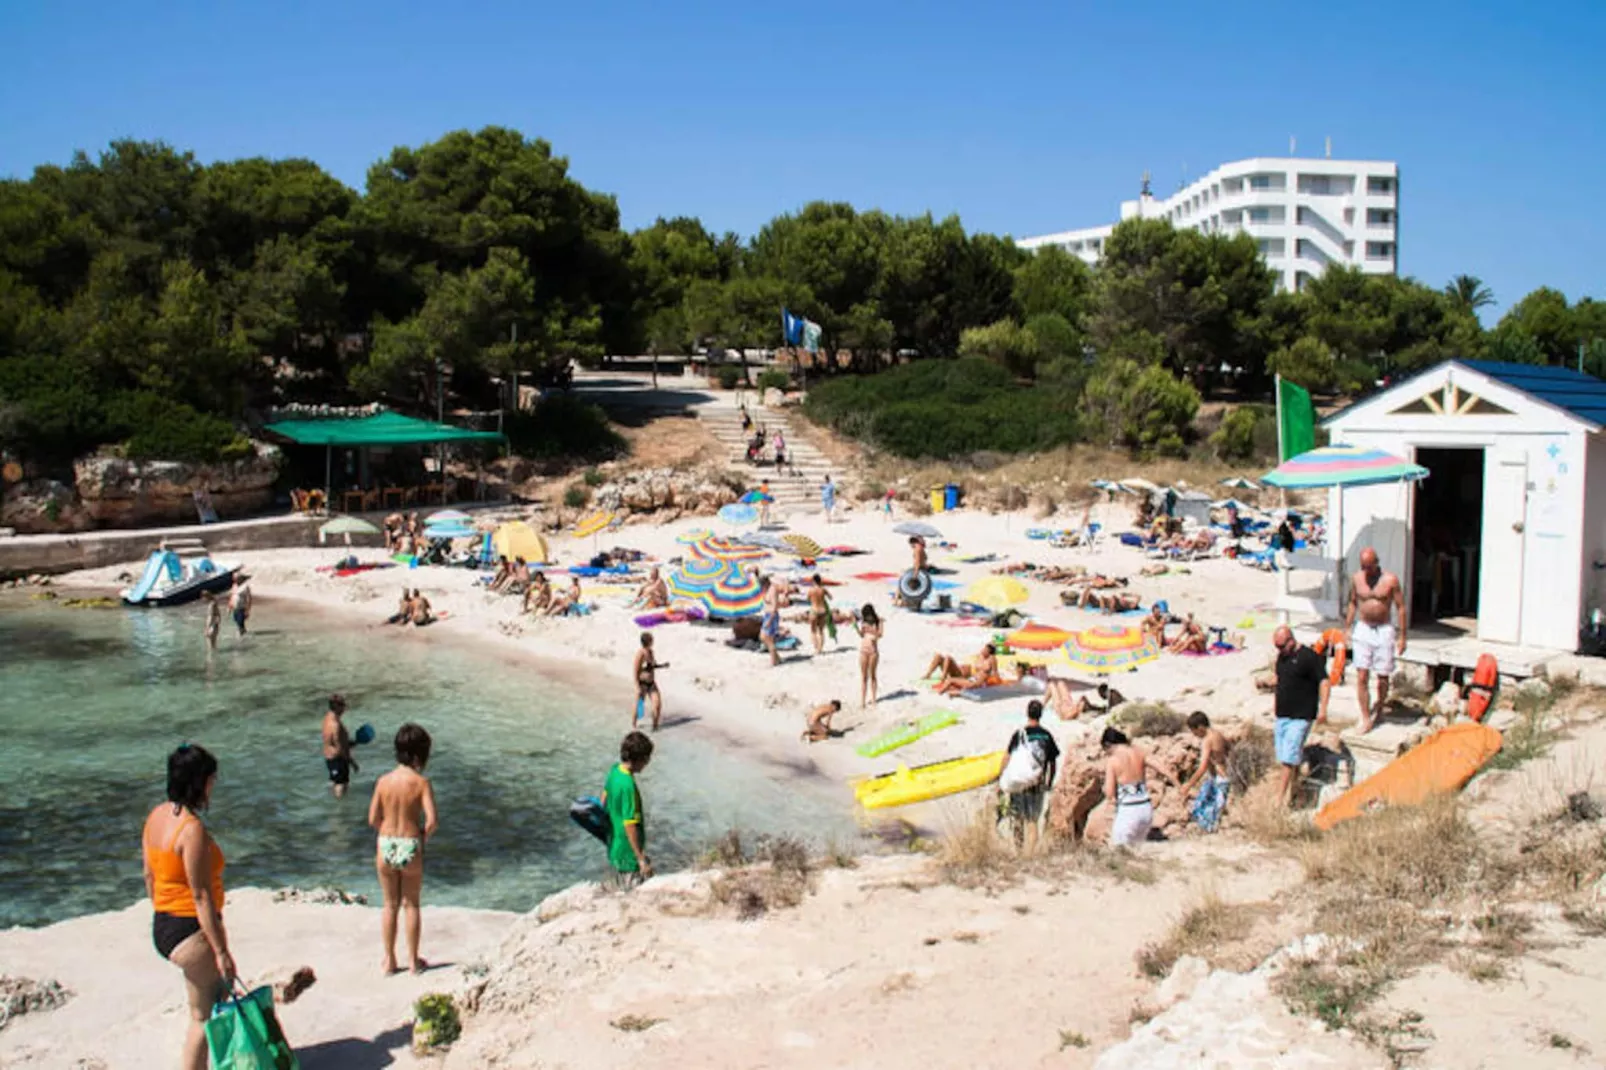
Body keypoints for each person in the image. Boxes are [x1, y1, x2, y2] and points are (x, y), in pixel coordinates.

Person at [142, 744, 234, 1070]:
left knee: (207, 999)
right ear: (200, 782)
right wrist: (221, 951)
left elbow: (149, 877)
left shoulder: (156, 816)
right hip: (190, 927)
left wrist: (164, 915)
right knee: (203, 1017)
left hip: (164, 924)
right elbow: (201, 897)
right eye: (211, 780)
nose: (213, 786)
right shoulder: (191, 830)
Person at [368, 723, 438, 975]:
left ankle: (389, 961)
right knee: (412, 905)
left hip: (386, 842)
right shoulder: (421, 783)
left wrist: (385, 832)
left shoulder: (383, 781)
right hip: (410, 842)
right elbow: (431, 822)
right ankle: (412, 961)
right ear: (420, 755)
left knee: (389, 904)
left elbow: (372, 818)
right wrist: (420, 837)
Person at [1344, 547, 1407, 733]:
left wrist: (1403, 636)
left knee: (1382, 675)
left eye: (1369, 567)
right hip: (1363, 628)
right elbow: (1353, 602)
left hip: (1383, 629)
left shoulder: (1390, 580)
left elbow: (1400, 607)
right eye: (1363, 566)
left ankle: (1379, 707)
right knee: (1362, 675)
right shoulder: (1356, 578)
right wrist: (1347, 628)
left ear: (1376, 563)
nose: (1366, 571)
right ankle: (1365, 716)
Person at [1272, 625, 1326, 807]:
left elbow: (1324, 681)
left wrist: (1323, 709)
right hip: (1283, 715)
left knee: (1288, 758)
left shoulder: (1309, 657)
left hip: (1301, 715)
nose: (1279, 650)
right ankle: (1294, 790)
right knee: (1286, 757)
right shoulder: (1282, 658)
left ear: (1291, 640)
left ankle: (1279, 799)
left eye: (1281, 646)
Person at [1001, 700, 1060, 849]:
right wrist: (1049, 782)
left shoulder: (1019, 734)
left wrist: (1002, 779)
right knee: (1032, 820)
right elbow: (1052, 763)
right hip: (1036, 783)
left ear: (1027, 713)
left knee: (1018, 818)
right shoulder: (1047, 736)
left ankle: (1019, 850)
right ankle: (1031, 854)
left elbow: (1007, 758)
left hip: (1019, 781)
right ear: (1041, 714)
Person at [603, 731, 654, 888]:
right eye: (647, 758)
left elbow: (603, 799)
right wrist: (639, 858)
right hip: (628, 853)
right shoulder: (628, 786)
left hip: (615, 845)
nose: (648, 762)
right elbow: (629, 825)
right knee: (633, 890)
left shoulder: (615, 771)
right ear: (639, 759)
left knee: (619, 884)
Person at [1101, 727, 1155, 847]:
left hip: (1129, 810)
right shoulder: (1139, 752)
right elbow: (1162, 767)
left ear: (1108, 744)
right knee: (1138, 851)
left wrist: (1106, 791)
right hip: (1146, 808)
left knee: (1120, 852)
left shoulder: (1113, 760)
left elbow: (1109, 793)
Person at [1182, 712, 1232, 832]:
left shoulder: (1207, 741)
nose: (1194, 735)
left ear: (1200, 727)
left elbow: (1202, 767)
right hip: (1225, 776)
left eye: (1193, 731)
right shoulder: (1219, 735)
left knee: (1205, 812)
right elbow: (1229, 751)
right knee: (1216, 810)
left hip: (1217, 779)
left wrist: (1188, 785)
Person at [322, 693, 357, 798]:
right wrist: (352, 762)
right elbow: (340, 747)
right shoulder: (335, 725)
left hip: (330, 759)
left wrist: (349, 743)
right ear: (336, 706)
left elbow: (332, 741)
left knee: (335, 783)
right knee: (341, 786)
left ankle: (335, 805)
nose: (344, 709)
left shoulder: (327, 718)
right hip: (338, 759)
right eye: (342, 706)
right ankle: (340, 811)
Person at [633, 632, 668, 731]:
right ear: (648, 641)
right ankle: (634, 725)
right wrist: (637, 686)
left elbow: (652, 666)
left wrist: (662, 666)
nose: (653, 641)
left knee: (657, 704)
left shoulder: (651, 652)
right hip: (642, 684)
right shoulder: (640, 654)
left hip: (652, 683)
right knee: (640, 706)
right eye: (651, 640)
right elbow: (635, 670)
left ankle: (655, 728)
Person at [855, 604, 883, 707]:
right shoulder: (864, 622)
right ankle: (862, 701)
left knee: (873, 675)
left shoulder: (878, 620)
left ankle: (874, 699)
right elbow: (862, 635)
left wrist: (870, 629)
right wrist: (857, 628)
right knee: (863, 677)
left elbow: (880, 634)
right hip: (863, 649)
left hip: (873, 651)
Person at [760, 575, 782, 666]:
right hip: (767, 615)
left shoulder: (773, 590)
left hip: (771, 616)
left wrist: (770, 620)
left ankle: (774, 662)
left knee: (767, 638)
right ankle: (777, 658)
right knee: (763, 637)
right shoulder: (767, 589)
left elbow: (775, 607)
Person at [806, 573, 831, 655]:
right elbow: (830, 597)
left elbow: (808, 599)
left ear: (813, 581)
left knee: (813, 631)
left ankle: (816, 649)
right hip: (822, 610)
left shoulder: (811, 590)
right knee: (821, 631)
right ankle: (820, 649)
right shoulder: (823, 589)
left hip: (814, 610)